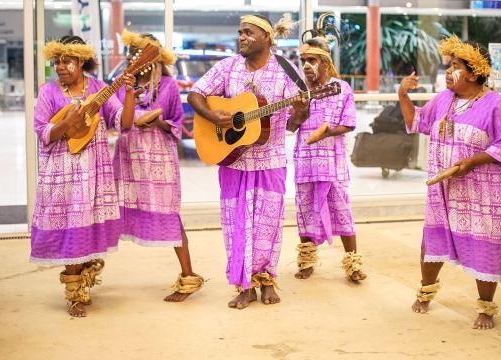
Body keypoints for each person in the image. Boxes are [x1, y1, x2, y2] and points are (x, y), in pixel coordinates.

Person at [188, 15, 309, 309]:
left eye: (248, 32)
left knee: (268, 225)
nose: (241, 37)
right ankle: (243, 285)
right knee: (235, 225)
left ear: (266, 37)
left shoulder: (285, 70)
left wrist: (300, 111)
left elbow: (295, 122)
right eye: (240, 32)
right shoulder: (227, 67)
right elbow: (196, 94)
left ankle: (265, 280)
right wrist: (213, 115)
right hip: (233, 160)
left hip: (270, 161)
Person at [398, 36, 501, 330]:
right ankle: (425, 291)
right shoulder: (443, 99)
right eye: (449, 65)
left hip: (483, 193)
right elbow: (418, 122)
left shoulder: (496, 105)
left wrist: (472, 162)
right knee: (432, 239)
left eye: (455, 66)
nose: (448, 71)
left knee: (483, 245)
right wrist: (402, 96)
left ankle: (486, 309)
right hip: (444, 190)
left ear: (473, 74)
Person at [30, 35, 134, 317]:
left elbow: (122, 122)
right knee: (69, 227)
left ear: (81, 62)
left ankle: (86, 275)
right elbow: (41, 131)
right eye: (57, 61)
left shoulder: (99, 87)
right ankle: (75, 292)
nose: (60, 66)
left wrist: (130, 93)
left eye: (67, 61)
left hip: (94, 170)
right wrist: (66, 123)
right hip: (63, 170)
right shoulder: (49, 91)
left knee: (88, 225)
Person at [114, 30, 204, 302]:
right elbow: (118, 117)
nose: (132, 57)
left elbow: (176, 120)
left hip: (158, 159)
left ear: (152, 58)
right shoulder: (121, 84)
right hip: (129, 157)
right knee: (109, 213)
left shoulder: (168, 85)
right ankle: (87, 267)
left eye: (138, 53)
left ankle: (188, 277)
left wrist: (159, 122)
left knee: (168, 213)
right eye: (130, 52)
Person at [288, 35, 366, 283]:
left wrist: (327, 131)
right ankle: (307, 260)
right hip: (305, 161)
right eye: (303, 60)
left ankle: (353, 264)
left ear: (324, 63)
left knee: (342, 210)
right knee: (304, 210)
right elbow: (290, 126)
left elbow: (349, 123)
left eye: (312, 60)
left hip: (333, 163)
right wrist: (299, 114)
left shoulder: (340, 88)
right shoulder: (297, 91)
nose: (306, 65)